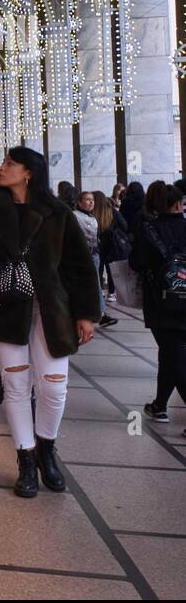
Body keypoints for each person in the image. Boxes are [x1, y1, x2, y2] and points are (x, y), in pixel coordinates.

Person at [0, 146, 101, 498]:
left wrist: (86, 314)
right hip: (5, 305)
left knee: (53, 385)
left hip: (52, 308)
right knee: (16, 386)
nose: (2, 168)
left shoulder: (57, 213)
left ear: (29, 173)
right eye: (4, 163)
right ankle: (26, 458)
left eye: (10, 164)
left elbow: (79, 267)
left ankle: (47, 448)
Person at [130, 185, 186, 436]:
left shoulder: (149, 229)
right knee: (171, 354)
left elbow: (137, 262)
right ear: (177, 204)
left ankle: (161, 406)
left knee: (173, 355)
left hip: (161, 301)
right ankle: (160, 405)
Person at [74, 192, 108, 325]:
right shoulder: (75, 215)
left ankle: (100, 313)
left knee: (96, 284)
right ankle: (100, 313)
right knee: (92, 285)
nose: (91, 202)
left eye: (92, 200)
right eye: (87, 200)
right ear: (79, 202)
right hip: (82, 255)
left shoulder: (93, 218)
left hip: (94, 254)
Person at [93, 190, 129, 305]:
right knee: (110, 270)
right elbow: (124, 225)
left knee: (98, 269)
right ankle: (111, 293)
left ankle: (99, 292)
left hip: (96, 245)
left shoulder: (91, 213)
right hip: (112, 245)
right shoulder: (111, 211)